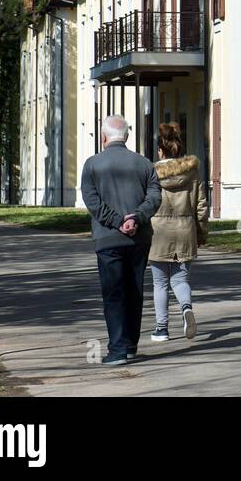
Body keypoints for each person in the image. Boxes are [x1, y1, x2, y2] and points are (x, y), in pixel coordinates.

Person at [80, 115, 160, 366]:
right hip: (139, 239)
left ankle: (117, 349)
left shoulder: (92, 164)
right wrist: (136, 218)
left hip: (108, 239)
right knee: (134, 291)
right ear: (126, 136)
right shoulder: (145, 164)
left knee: (114, 293)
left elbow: (92, 202)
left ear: (104, 137)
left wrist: (117, 222)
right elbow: (155, 197)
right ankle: (130, 345)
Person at [148, 122, 208, 343]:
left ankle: (161, 329)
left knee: (160, 283)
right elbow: (201, 204)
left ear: (160, 150)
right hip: (185, 230)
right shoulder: (192, 171)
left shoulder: (151, 172)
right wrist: (201, 232)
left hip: (158, 232)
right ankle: (186, 308)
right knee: (180, 280)